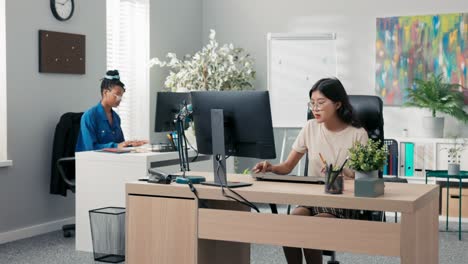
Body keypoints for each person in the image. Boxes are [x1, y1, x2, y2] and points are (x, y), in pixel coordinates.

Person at [252, 78, 368, 264]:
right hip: (312, 197)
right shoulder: (310, 128)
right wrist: (270, 167)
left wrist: (344, 173)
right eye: (312, 103)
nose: (315, 108)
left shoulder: (357, 134)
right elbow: (287, 166)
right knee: (290, 224)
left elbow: (364, 177)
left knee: (310, 228)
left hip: (342, 199)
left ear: (338, 104)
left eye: (321, 103)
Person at [76, 70, 148, 152]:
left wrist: (131, 144)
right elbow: (91, 148)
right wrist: (117, 146)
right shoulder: (89, 116)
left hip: (111, 160)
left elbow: (120, 144)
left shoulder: (116, 117)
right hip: (93, 161)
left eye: (121, 95)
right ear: (105, 92)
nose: (119, 99)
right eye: (117, 94)